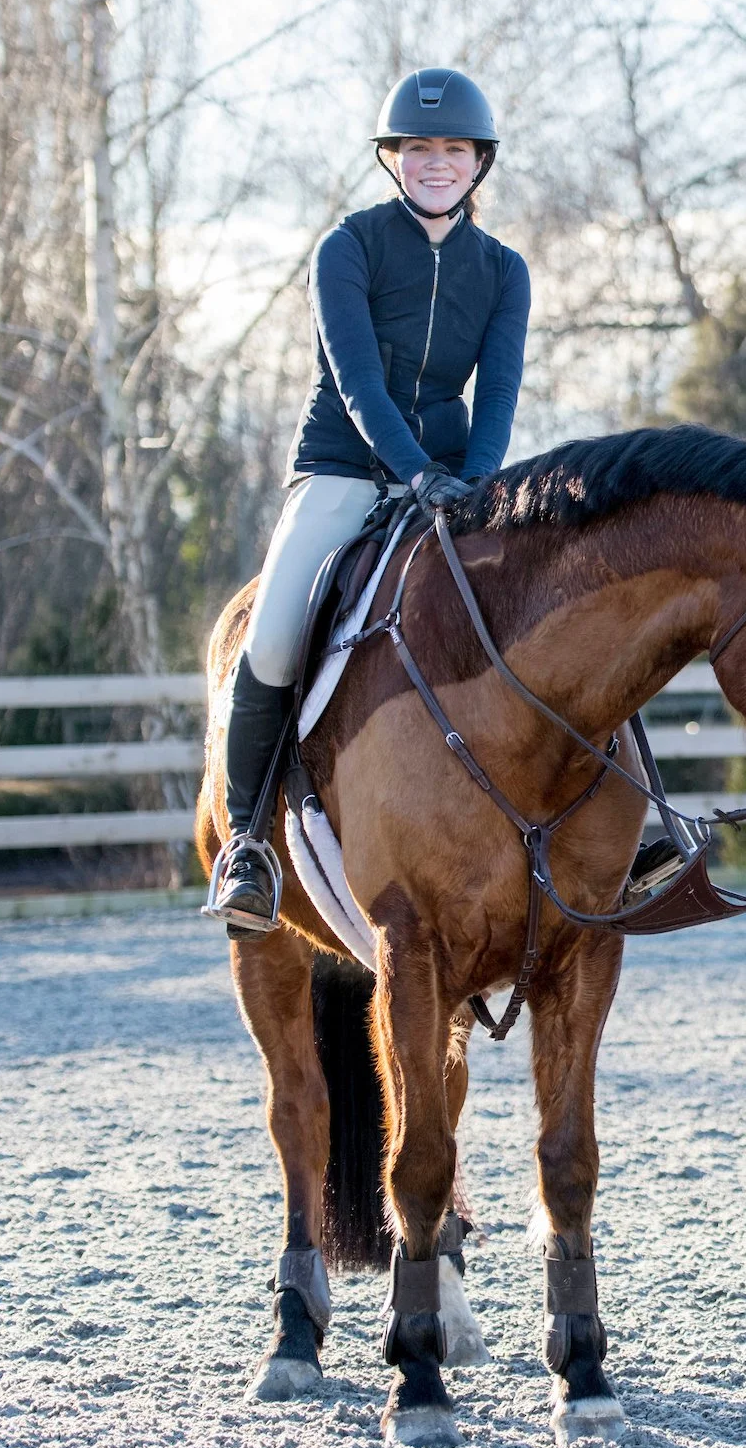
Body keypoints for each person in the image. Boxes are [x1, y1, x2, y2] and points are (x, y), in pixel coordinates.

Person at [203, 68, 531, 933]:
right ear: (393, 158)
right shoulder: (347, 247)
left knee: (547, 612)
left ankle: (594, 830)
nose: (436, 162)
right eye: (418, 147)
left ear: (479, 162)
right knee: (274, 637)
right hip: (345, 470)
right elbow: (357, 383)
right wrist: (415, 472)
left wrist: (474, 484)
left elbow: (498, 391)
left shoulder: (504, 271)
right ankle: (248, 846)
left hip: (456, 482)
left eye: (453, 148)